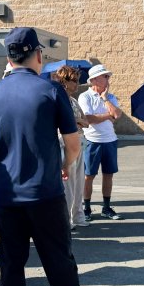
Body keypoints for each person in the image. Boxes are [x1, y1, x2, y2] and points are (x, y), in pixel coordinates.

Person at [0, 27, 99, 286]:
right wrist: (62, 166)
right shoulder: (52, 91)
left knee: (11, 264)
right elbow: (73, 145)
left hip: (7, 194)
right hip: (45, 192)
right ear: (38, 55)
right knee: (58, 260)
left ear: (8, 58)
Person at [78, 64, 123, 221]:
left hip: (110, 141)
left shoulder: (110, 97)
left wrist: (105, 99)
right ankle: (87, 208)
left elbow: (117, 115)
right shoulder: (85, 97)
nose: (108, 79)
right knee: (88, 176)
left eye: (108, 76)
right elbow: (89, 119)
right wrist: (107, 116)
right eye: (105, 76)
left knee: (108, 175)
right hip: (92, 141)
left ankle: (106, 207)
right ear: (94, 79)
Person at [56, 66, 90, 229]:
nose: (77, 84)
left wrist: (76, 120)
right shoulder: (59, 99)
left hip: (79, 139)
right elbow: (65, 121)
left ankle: (77, 215)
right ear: (65, 81)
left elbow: (85, 121)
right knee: (68, 182)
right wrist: (76, 120)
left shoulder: (74, 101)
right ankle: (65, 219)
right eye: (74, 81)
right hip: (65, 141)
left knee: (78, 182)